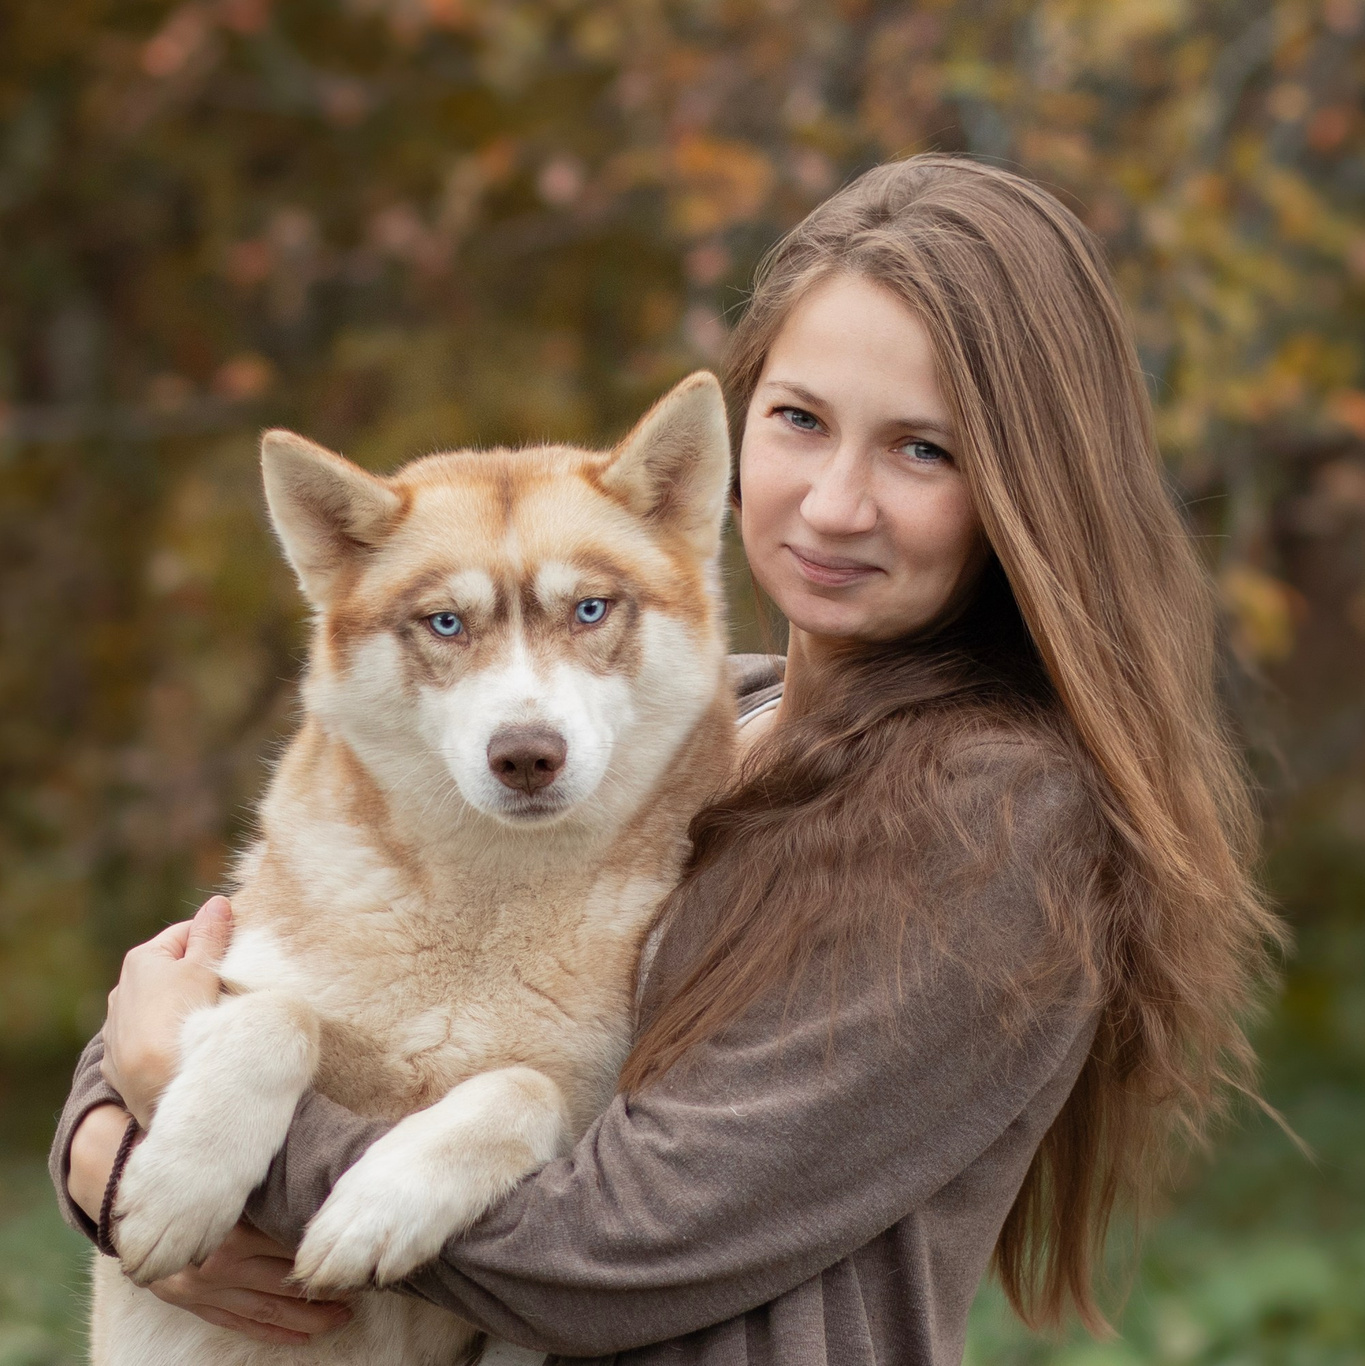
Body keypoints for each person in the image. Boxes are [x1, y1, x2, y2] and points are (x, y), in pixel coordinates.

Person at [52, 154, 1280, 1365]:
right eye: (800, 421)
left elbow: (613, 1244)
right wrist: (112, 1144)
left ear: (1023, 483)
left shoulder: (992, 814)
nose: (834, 503)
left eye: (923, 450)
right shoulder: (693, 727)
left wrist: (253, 1155)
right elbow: (218, 987)